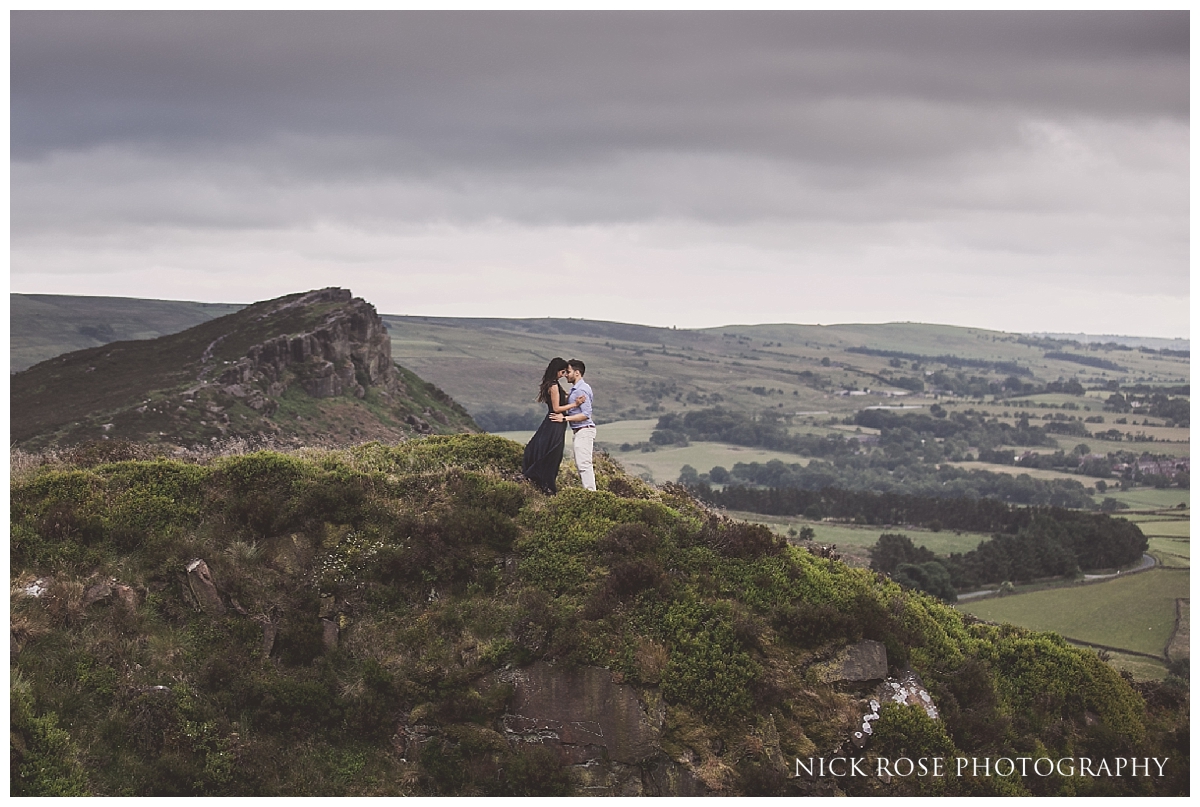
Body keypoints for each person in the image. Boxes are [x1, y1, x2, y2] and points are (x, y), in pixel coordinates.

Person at [522, 357, 579, 494]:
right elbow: (557, 408)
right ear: (558, 371)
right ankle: (543, 481)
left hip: (554, 422)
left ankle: (542, 481)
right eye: (563, 372)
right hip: (555, 422)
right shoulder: (553, 386)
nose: (564, 375)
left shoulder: (553, 384)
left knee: (550, 450)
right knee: (552, 452)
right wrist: (575, 404)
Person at [551, 359, 596, 491]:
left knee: (584, 464)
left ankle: (591, 494)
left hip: (584, 430)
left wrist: (564, 418)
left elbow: (586, 414)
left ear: (577, 373)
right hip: (580, 430)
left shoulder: (581, 390)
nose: (566, 375)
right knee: (581, 463)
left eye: (569, 372)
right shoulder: (578, 389)